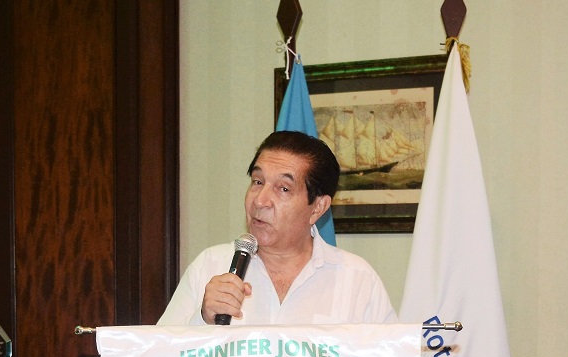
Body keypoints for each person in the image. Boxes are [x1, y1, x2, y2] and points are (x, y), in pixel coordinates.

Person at [158, 130, 396, 326]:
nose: (260, 201)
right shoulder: (209, 266)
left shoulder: (357, 280)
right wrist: (202, 319)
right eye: (257, 181)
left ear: (317, 207)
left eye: (283, 188)